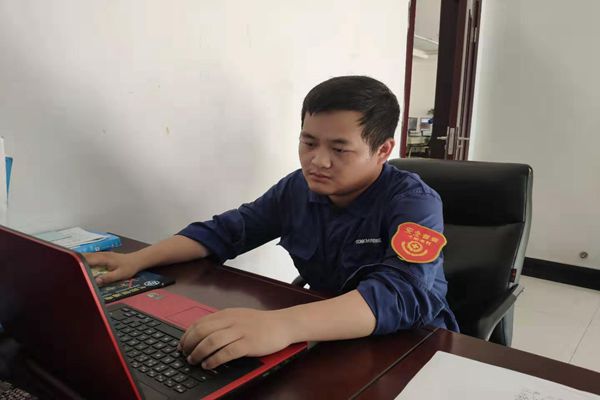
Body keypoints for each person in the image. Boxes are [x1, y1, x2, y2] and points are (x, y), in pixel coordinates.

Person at [85, 75, 458, 371]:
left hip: (410, 345)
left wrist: (283, 325)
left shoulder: (415, 203)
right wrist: (140, 259)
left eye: (339, 149)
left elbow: (401, 294)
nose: (318, 161)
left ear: (383, 150)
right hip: (325, 333)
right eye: (308, 143)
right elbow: (229, 230)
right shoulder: (297, 188)